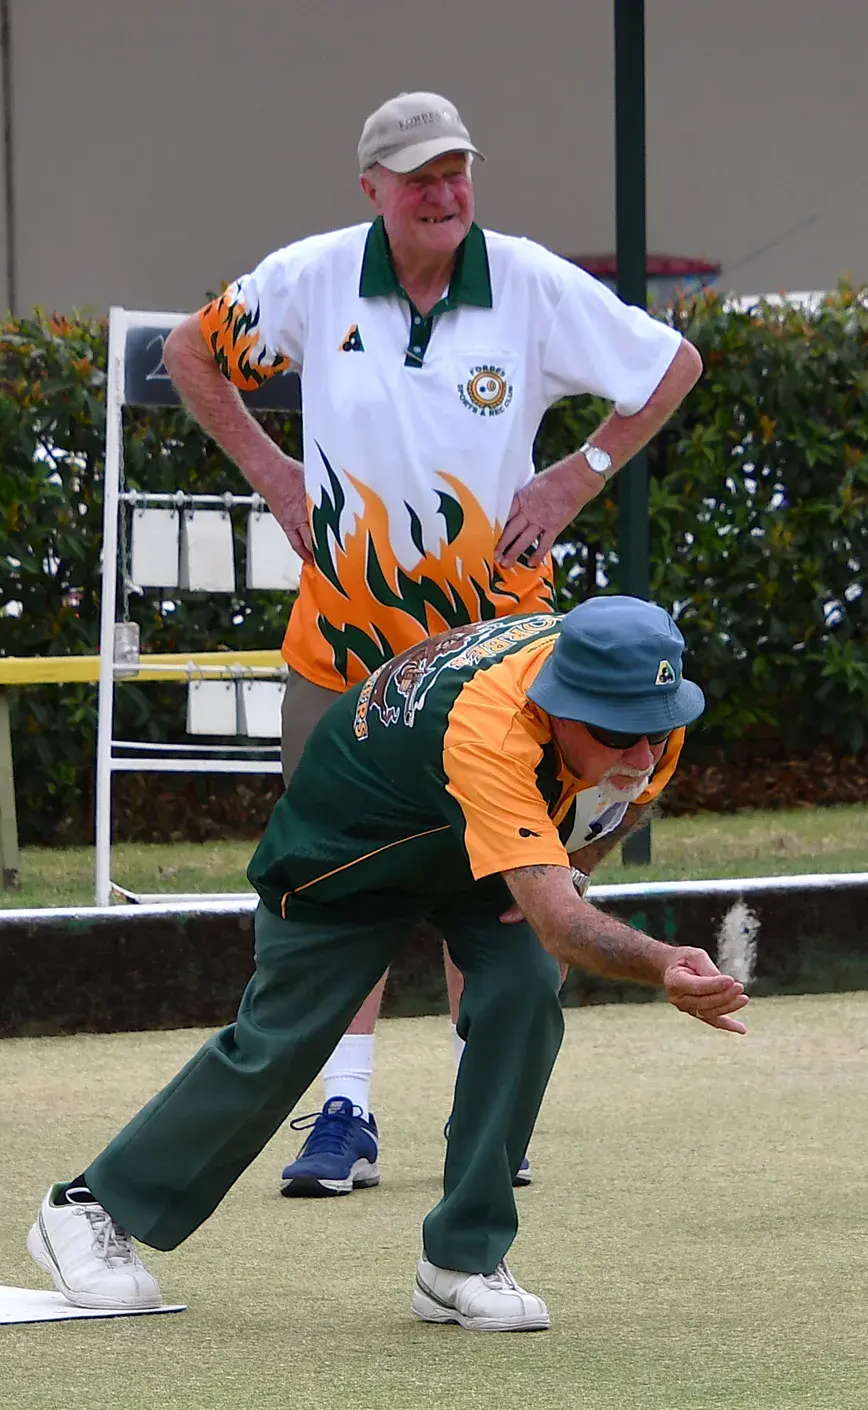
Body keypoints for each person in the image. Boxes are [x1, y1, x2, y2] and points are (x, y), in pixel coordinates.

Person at [164, 91, 706, 1199]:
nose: (444, 192)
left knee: (502, 888)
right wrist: (271, 472)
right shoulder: (312, 278)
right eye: (419, 177)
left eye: (457, 170)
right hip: (344, 653)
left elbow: (670, 365)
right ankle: (345, 1111)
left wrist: (578, 475)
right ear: (373, 189)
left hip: (495, 655)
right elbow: (191, 351)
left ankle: (485, 1110)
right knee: (335, 888)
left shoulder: (528, 282)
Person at [27, 598, 749, 1332]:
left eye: (656, 733)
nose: (642, 755)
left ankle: (461, 1260)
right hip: (352, 843)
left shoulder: (645, 710)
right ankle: (89, 1207)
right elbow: (562, 929)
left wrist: (571, 866)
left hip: (483, 840)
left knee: (523, 986)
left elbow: (621, 807)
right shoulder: (490, 727)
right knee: (283, 1040)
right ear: (555, 704)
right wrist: (661, 962)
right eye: (617, 735)